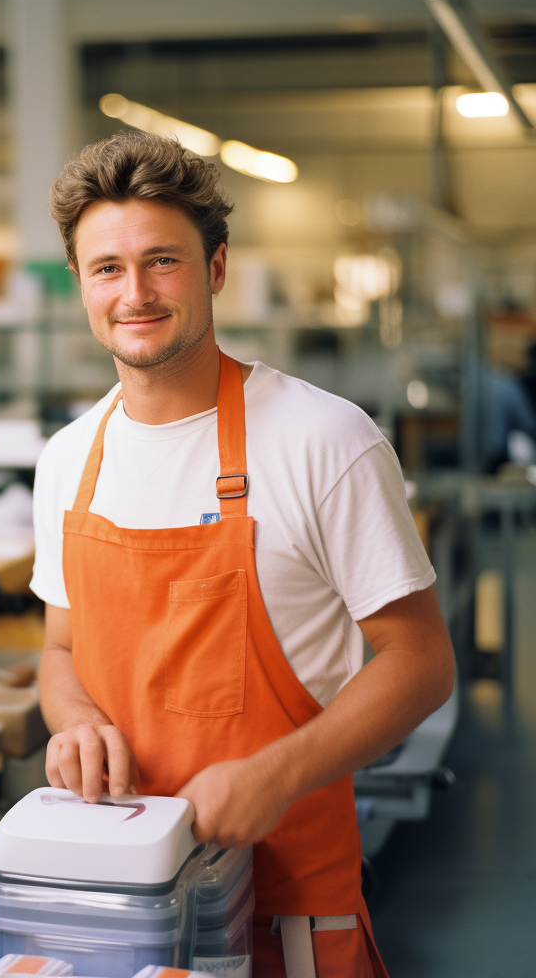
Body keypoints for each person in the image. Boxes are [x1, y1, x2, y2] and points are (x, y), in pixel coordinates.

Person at [31, 131, 455, 978]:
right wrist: (74, 721)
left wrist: (276, 774)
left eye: (164, 261)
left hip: (287, 914)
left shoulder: (323, 439)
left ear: (217, 268)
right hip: (120, 909)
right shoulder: (69, 459)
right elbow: (58, 650)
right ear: (79, 283)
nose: (136, 293)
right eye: (107, 268)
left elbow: (421, 660)